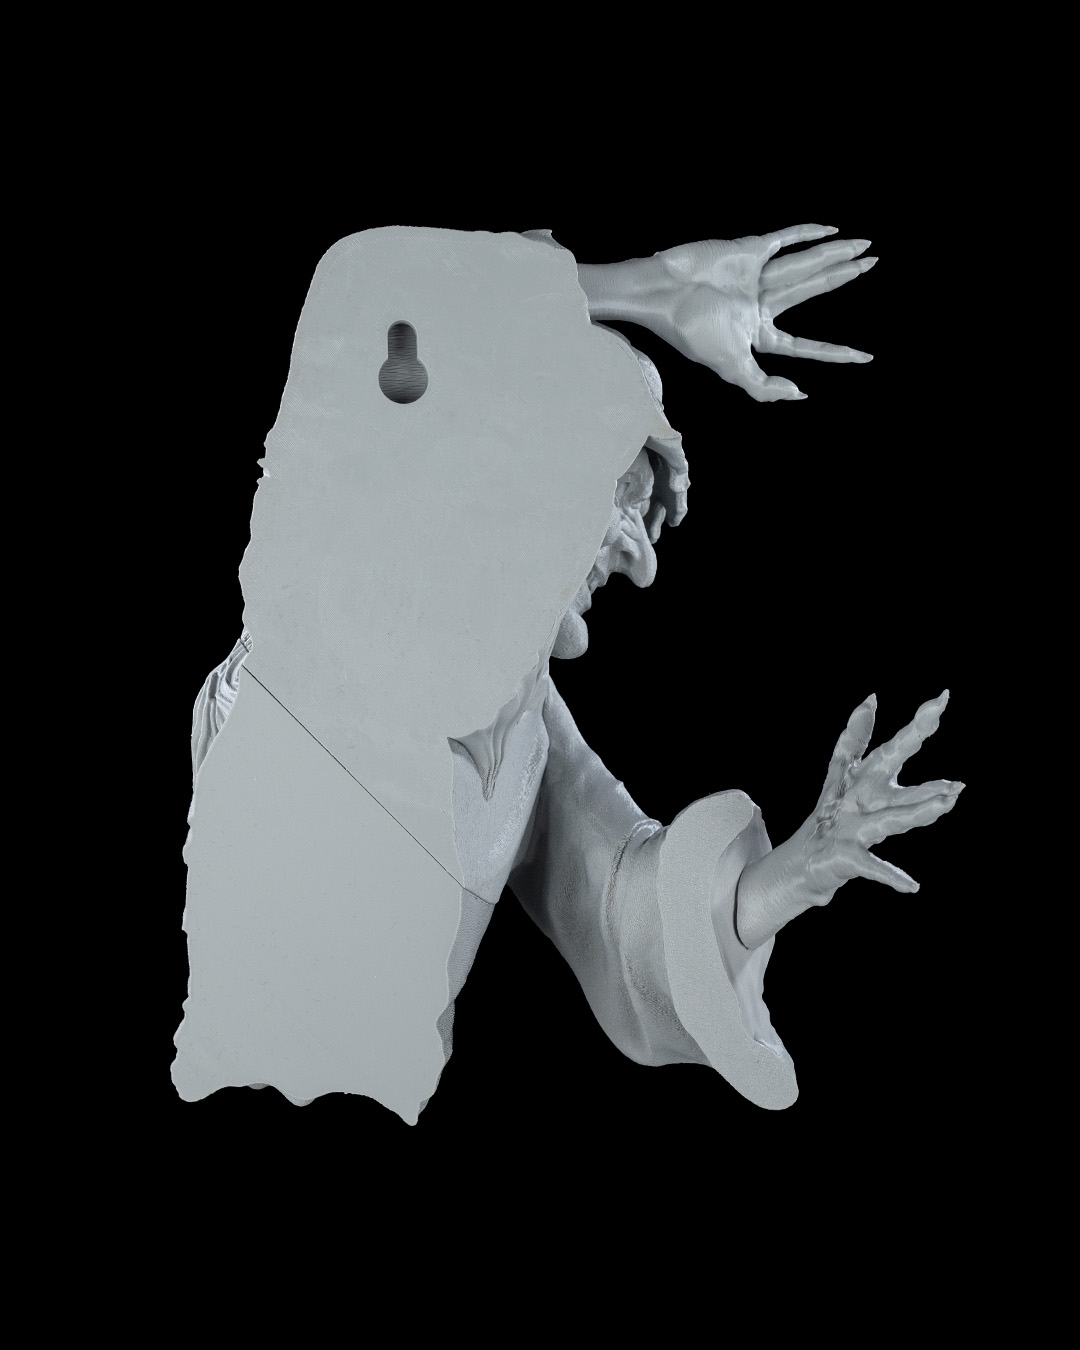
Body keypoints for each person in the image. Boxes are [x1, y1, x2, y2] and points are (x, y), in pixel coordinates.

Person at [185, 225, 963, 1112]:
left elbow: (626, 908)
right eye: (622, 494)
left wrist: (794, 874)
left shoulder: (525, 729)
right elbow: (379, 306)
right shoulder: (344, 562)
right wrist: (655, 289)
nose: (643, 561)